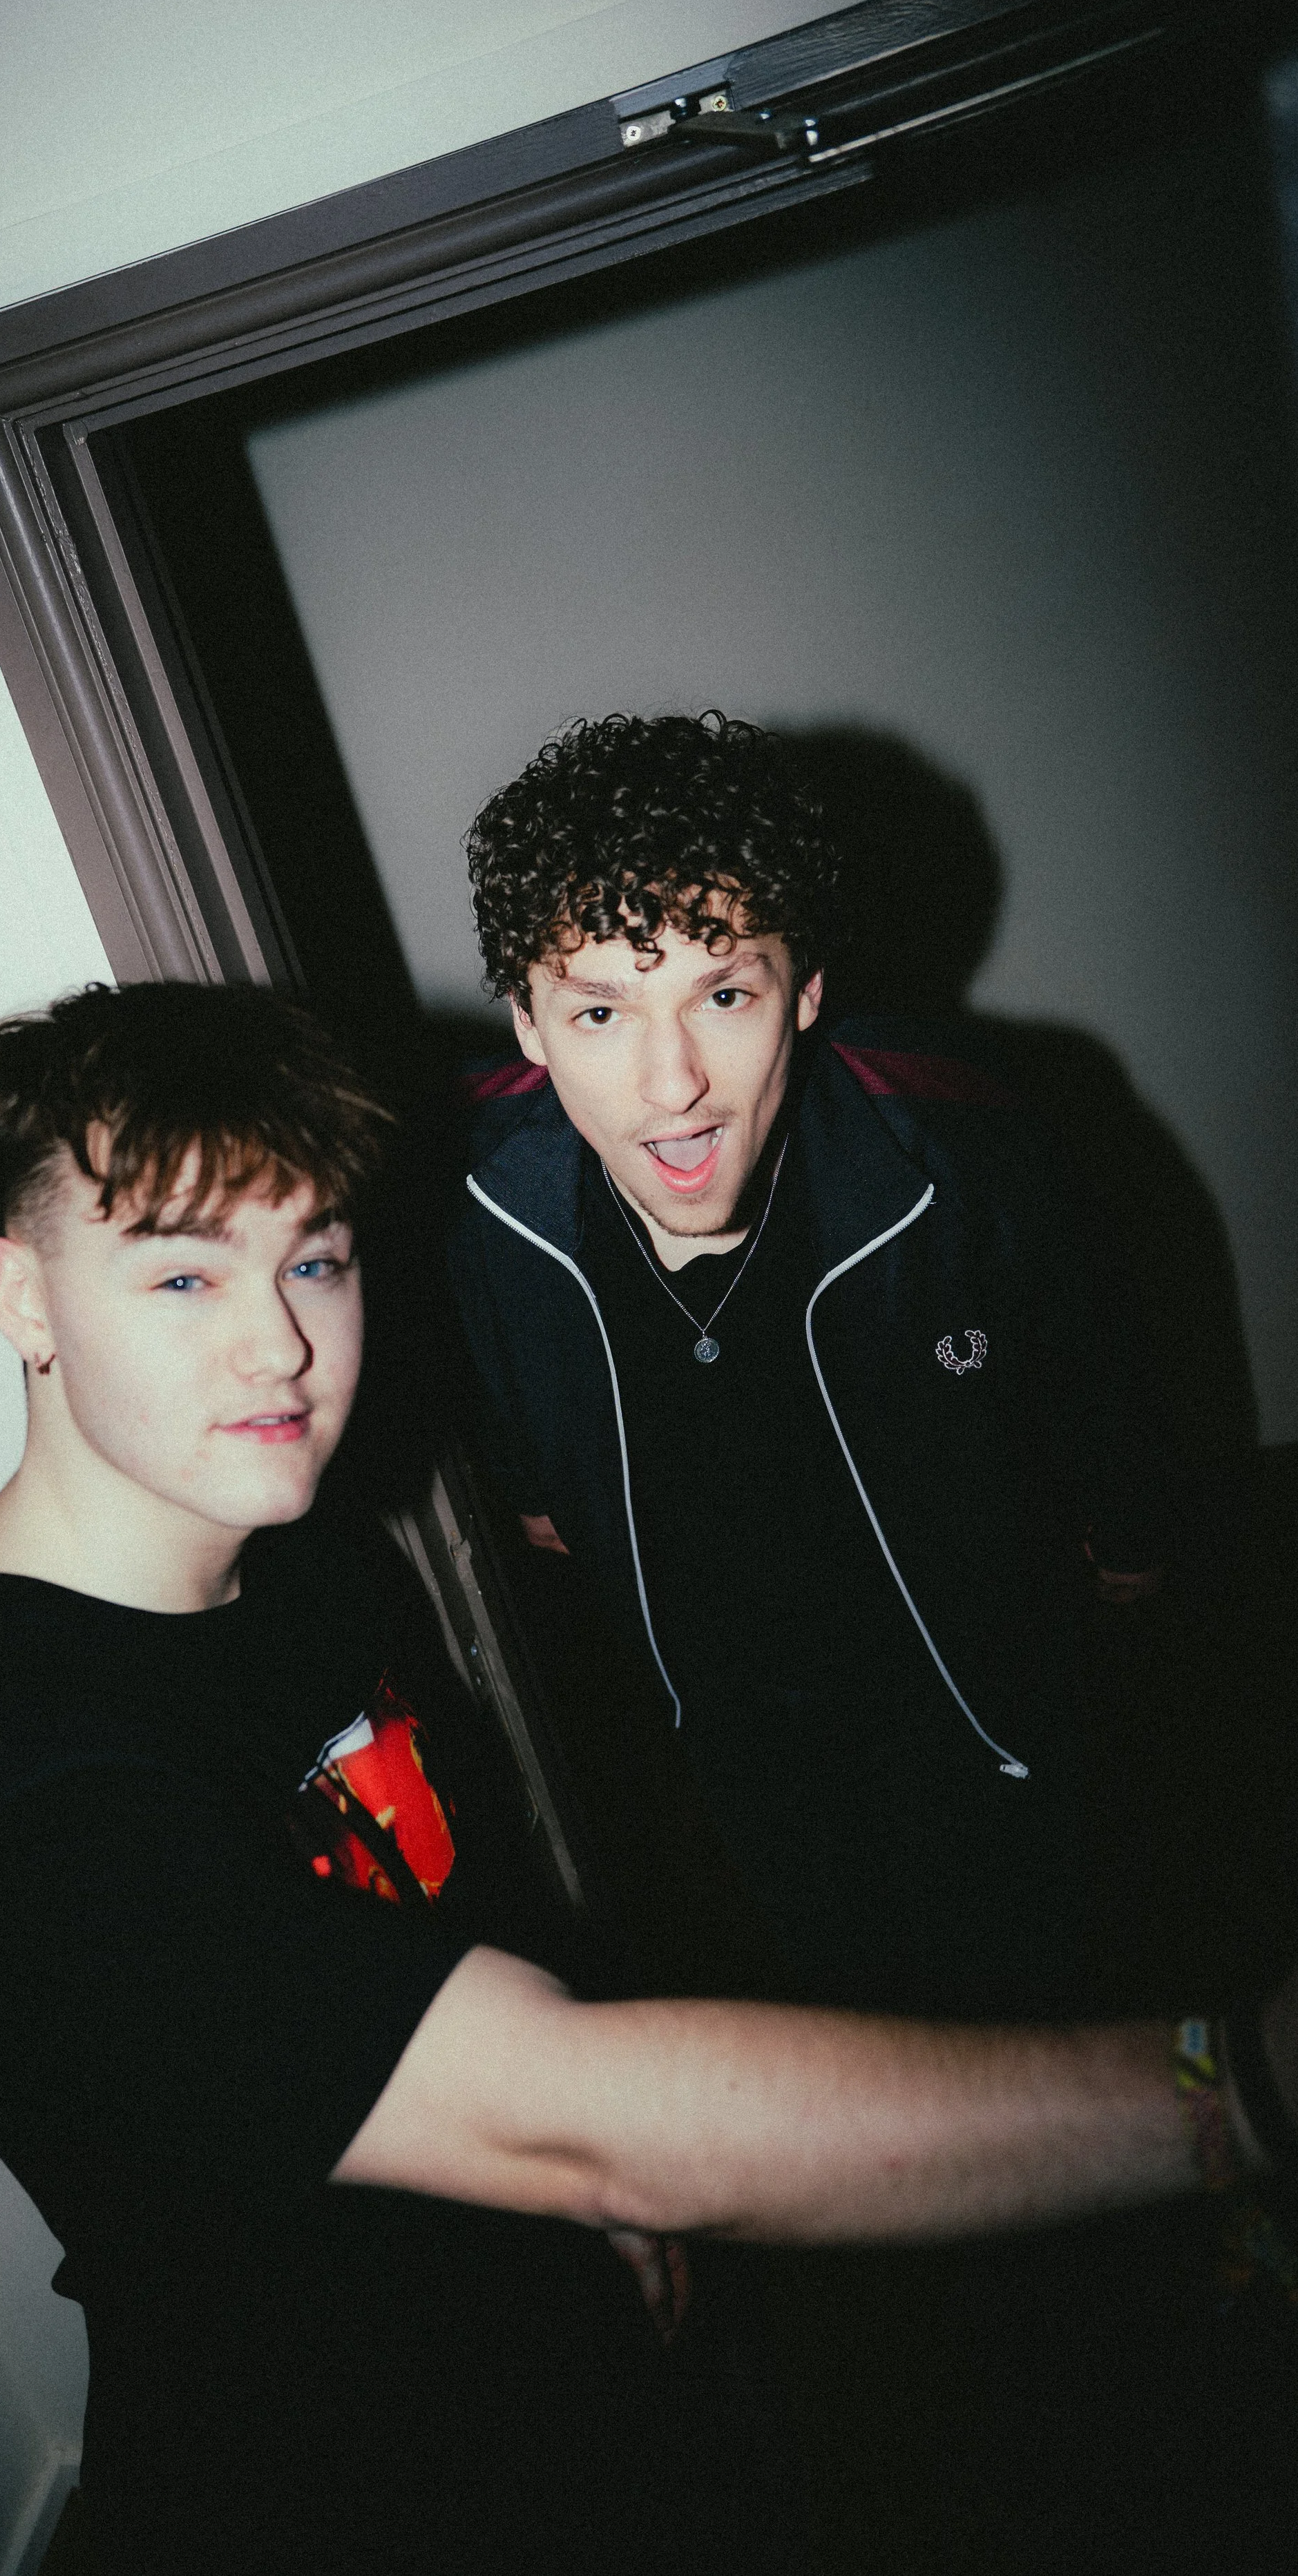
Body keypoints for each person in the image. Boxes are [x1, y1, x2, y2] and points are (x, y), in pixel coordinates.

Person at [0, 979, 1295, 2576]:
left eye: (312, 1258)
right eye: (182, 1273)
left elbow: (460, 1925)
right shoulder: (10, 1805)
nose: (278, 1343)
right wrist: (1228, 2092)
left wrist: (586, 2213)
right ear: (23, 1298)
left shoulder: (298, 1565)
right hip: (334, 2492)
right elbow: (583, 2117)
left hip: (566, 2387)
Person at [448, 708, 1265, 2567]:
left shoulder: (971, 1138)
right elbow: (532, 1498)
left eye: (720, 993)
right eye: (595, 1008)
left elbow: (1115, 1406)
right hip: (732, 1770)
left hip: (1007, 1731)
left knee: (1092, 2128)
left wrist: (1124, 1567)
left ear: (805, 987)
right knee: (872, 2210)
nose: (666, 1080)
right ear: (523, 1019)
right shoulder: (475, 1206)